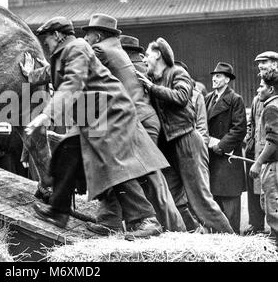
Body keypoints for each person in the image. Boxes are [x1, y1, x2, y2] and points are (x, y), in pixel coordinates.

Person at [21, 16, 169, 239]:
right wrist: (29, 74)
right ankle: (62, 212)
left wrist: (46, 114)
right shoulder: (68, 51)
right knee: (66, 154)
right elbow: (51, 72)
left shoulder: (77, 48)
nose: (46, 45)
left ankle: (146, 220)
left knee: (114, 165)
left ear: (58, 35)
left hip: (111, 112)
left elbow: (73, 82)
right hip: (94, 114)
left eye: (47, 40)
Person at [81, 14, 185, 235]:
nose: (85, 39)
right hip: (136, 118)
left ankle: (151, 222)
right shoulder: (116, 49)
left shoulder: (99, 50)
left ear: (97, 35)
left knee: (124, 170)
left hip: (129, 120)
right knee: (118, 167)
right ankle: (110, 219)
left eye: (87, 35)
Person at [136, 37, 234, 234]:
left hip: (187, 141)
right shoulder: (154, 79)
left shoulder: (178, 73)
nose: (145, 60)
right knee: (169, 198)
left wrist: (152, 88)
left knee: (200, 200)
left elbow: (181, 98)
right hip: (169, 146)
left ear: (157, 55)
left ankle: (228, 239)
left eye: (147, 55)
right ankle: (189, 233)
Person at [205, 62, 247, 234]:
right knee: (215, 205)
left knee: (230, 205)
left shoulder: (235, 99)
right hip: (211, 158)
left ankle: (232, 239)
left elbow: (239, 129)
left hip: (227, 158)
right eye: (214, 75)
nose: (215, 78)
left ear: (227, 80)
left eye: (219, 76)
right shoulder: (208, 98)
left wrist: (220, 146)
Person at [244, 51, 278, 235]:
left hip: (271, 155)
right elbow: (253, 123)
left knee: (272, 199)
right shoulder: (259, 98)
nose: (260, 68)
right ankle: (257, 225)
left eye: (264, 64)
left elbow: (273, 137)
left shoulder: (272, 99)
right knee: (262, 196)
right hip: (260, 151)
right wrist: (249, 139)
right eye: (259, 66)